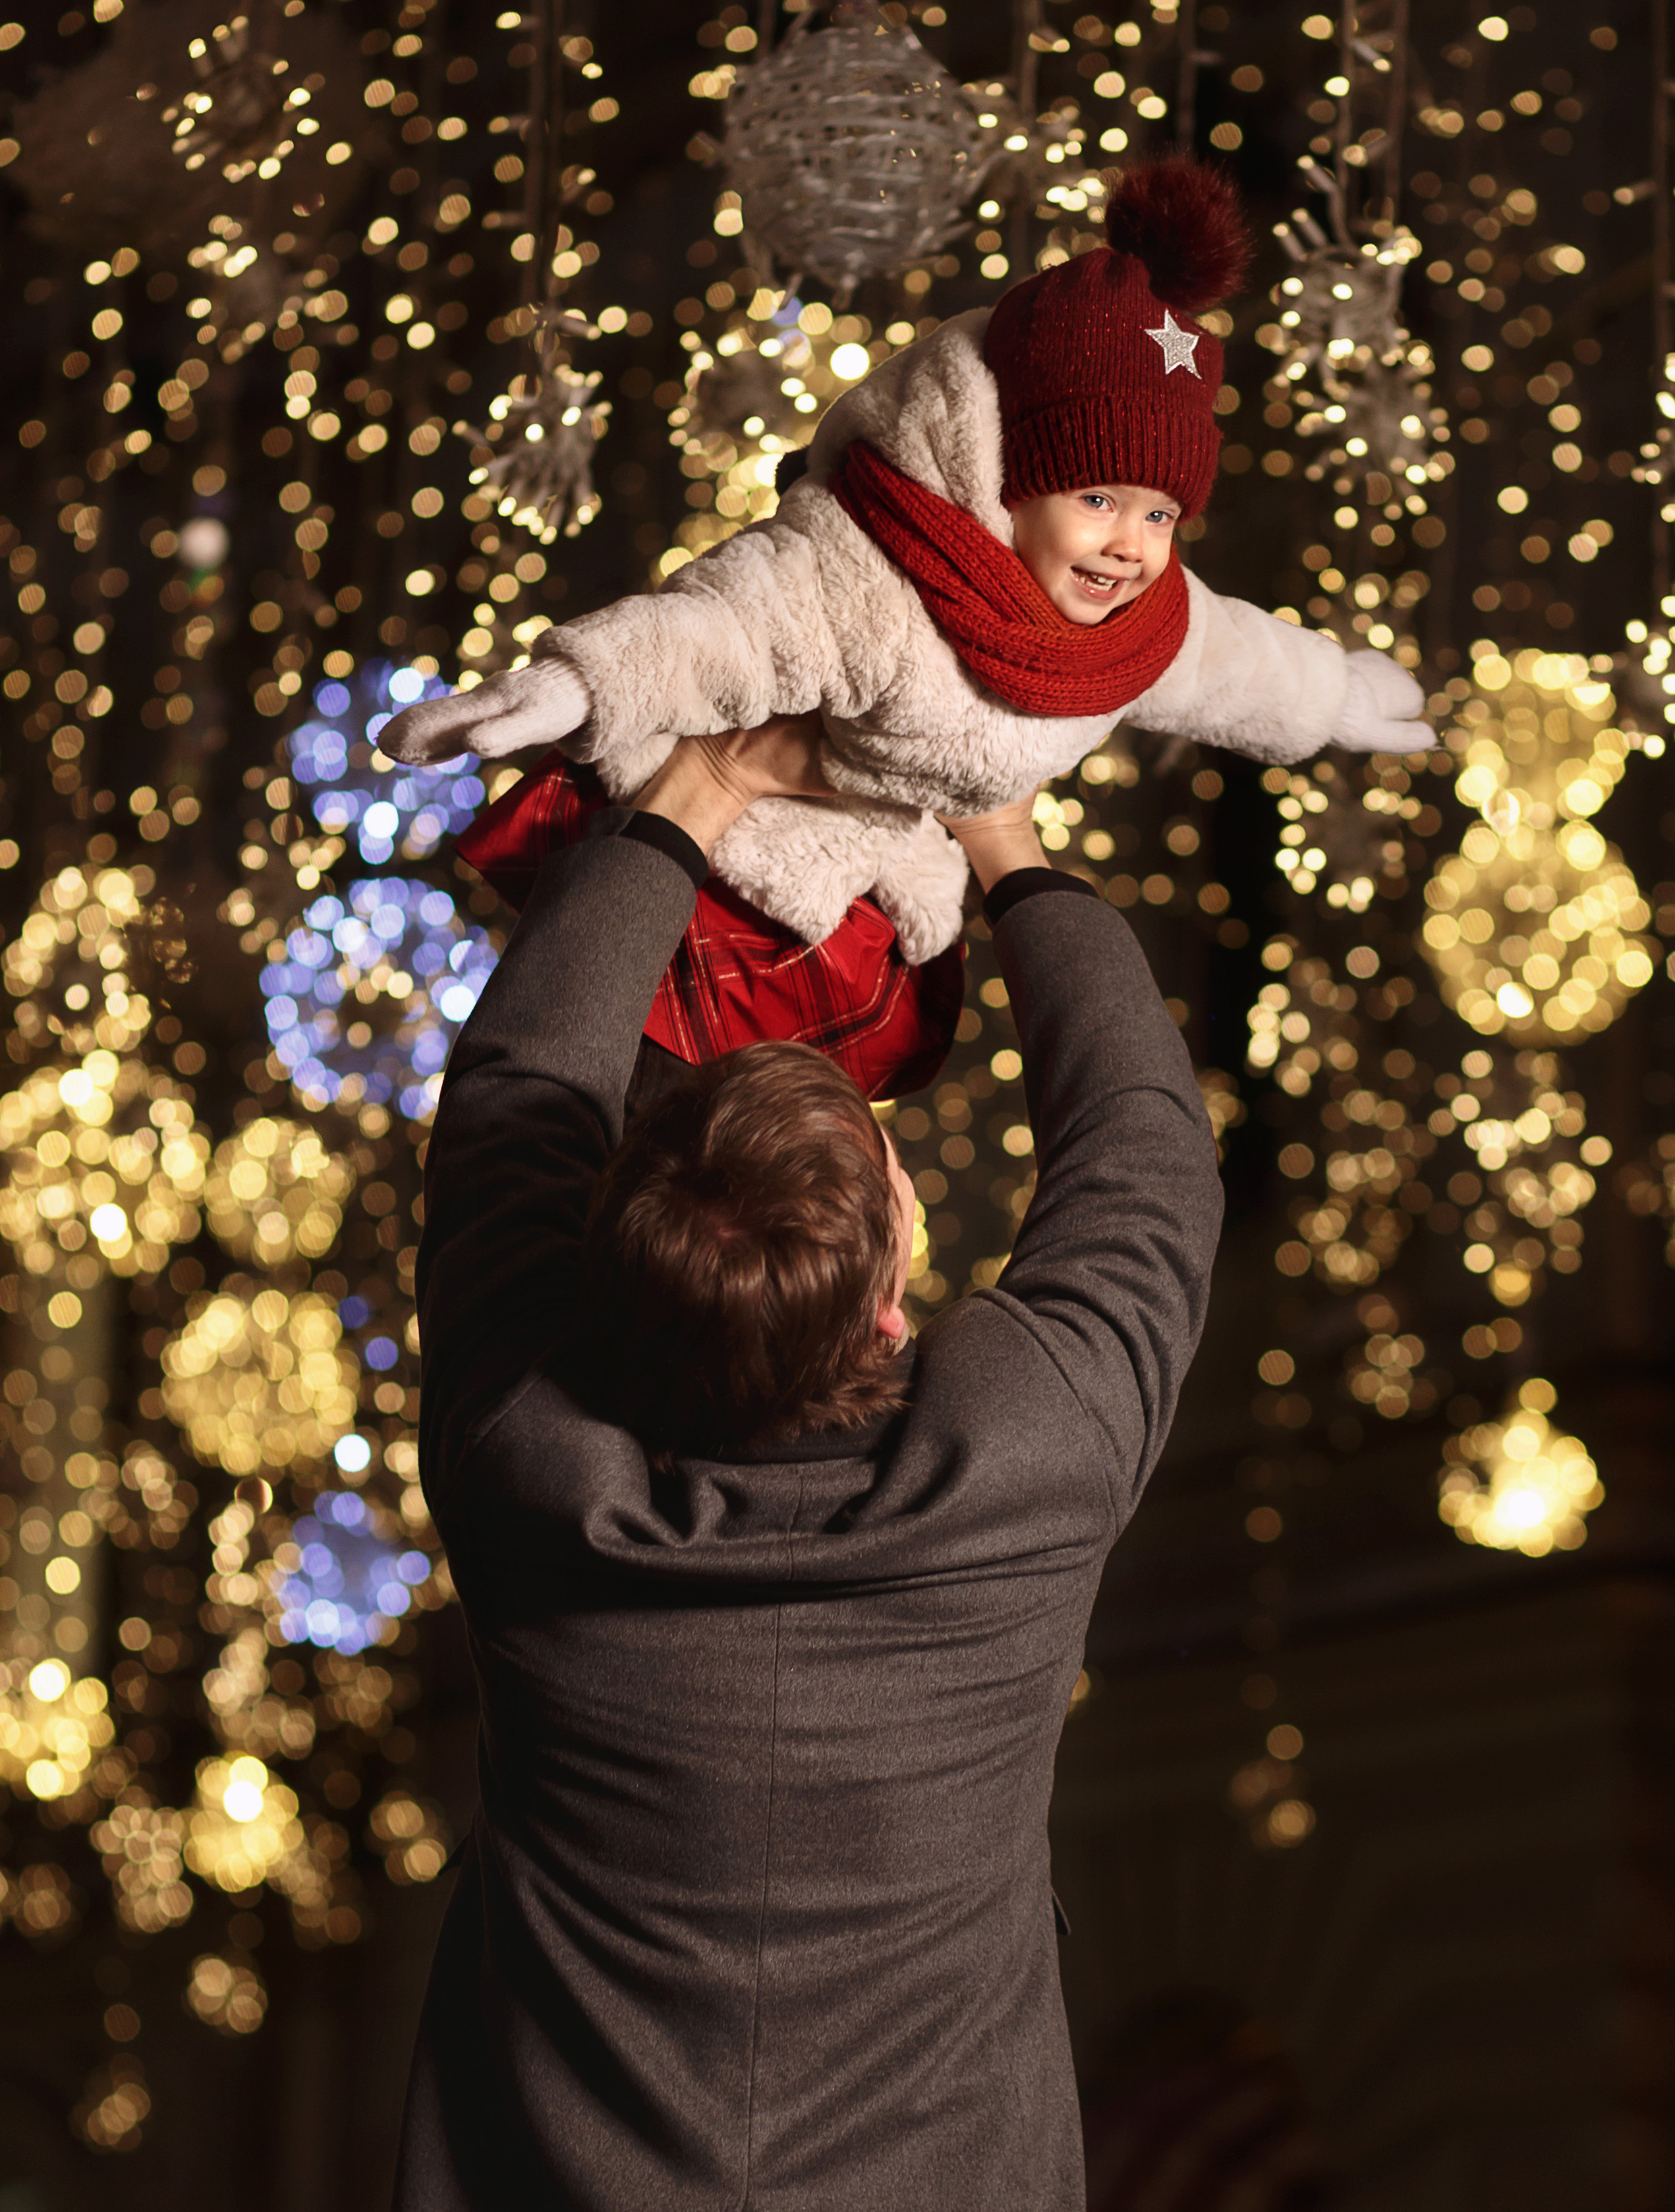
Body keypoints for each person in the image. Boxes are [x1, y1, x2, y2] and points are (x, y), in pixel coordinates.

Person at [392, 712, 1224, 2212]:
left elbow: (512, 1105)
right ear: (894, 1257)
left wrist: (703, 790)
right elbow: (1150, 1147)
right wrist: (998, 837)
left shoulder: (527, 1470)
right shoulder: (1029, 1466)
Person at [383, 157, 1427, 1102]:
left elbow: (1235, 661)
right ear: (1007, 484)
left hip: (882, 884)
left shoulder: (1138, 622)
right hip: (734, 863)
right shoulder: (872, 570)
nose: (1132, 546)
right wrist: (571, 685)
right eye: (1097, 500)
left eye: (1159, 514)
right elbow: (719, 627)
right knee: (656, 1113)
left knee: (818, 1131)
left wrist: (1334, 696)